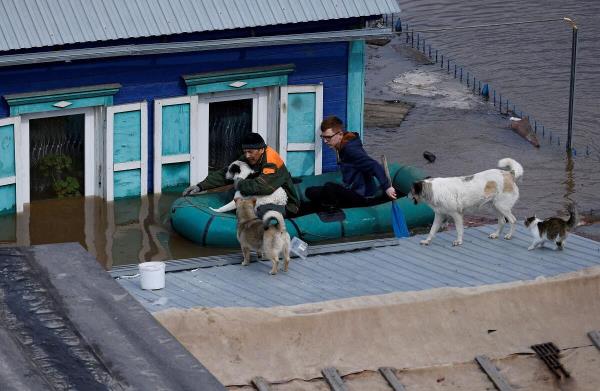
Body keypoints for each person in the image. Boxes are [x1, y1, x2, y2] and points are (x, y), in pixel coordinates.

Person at [182, 133, 300, 218]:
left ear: (261, 150)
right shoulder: (250, 157)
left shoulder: (272, 162)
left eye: (250, 152)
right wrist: (200, 186)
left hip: (286, 204)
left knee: (258, 210)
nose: (247, 155)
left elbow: (263, 187)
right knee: (233, 196)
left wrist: (240, 183)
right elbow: (227, 173)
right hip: (261, 196)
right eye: (245, 152)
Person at [305, 116, 397, 210]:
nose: (325, 141)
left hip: (363, 197)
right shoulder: (342, 145)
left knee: (330, 187)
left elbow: (374, 165)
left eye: (328, 137)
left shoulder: (351, 150)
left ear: (340, 134)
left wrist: (387, 187)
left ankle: (332, 212)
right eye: (323, 137)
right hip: (351, 190)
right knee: (310, 191)